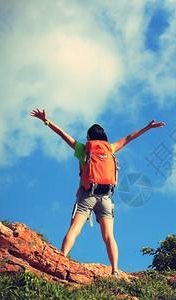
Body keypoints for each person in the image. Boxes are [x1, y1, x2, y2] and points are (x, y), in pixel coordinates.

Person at [30, 108, 165, 278]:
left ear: (88, 137)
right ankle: (115, 270)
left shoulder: (84, 149)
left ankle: (61, 259)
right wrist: (147, 128)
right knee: (109, 236)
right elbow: (129, 137)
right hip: (106, 197)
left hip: (87, 194)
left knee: (74, 229)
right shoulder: (111, 149)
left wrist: (46, 121)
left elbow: (63, 134)